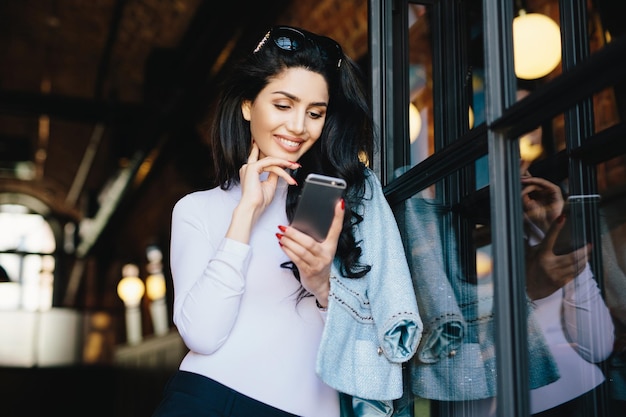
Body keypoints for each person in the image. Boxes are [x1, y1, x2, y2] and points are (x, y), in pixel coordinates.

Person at [151, 25, 422, 417]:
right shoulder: (197, 209)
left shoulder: (351, 199)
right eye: (283, 105)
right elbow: (203, 336)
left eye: (315, 113)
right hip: (210, 398)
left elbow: (386, 328)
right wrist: (245, 215)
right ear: (248, 105)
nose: (298, 126)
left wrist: (322, 285)